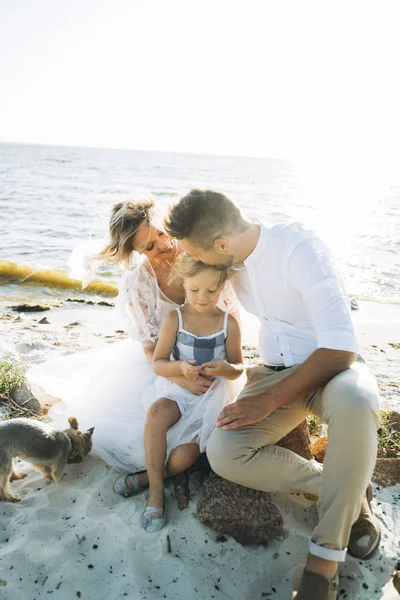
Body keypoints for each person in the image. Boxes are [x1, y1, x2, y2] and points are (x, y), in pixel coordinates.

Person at [165, 189, 381, 600]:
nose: (204, 263)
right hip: (272, 371)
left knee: (359, 401)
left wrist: (268, 399)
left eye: (203, 254)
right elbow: (193, 283)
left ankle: (322, 567)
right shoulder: (232, 257)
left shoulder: (299, 250)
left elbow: (340, 347)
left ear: (222, 245)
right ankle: (351, 491)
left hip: (334, 369)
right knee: (225, 452)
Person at [27, 196, 240, 487]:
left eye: (162, 234)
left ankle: (156, 476)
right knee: (152, 449)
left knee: (195, 448)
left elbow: (230, 321)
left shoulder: (201, 256)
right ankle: (152, 477)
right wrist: (180, 377)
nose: (164, 246)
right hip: (163, 370)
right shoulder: (138, 284)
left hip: (213, 367)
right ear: (135, 251)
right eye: (149, 247)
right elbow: (152, 350)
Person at [136, 254, 244, 532]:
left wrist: (225, 368)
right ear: (183, 283)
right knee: (156, 413)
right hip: (179, 392)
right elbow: (159, 363)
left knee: (181, 460)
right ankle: (156, 494)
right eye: (194, 290)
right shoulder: (175, 319)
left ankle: (145, 478)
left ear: (223, 287)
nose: (202, 297)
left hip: (211, 401)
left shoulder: (228, 323)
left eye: (211, 290)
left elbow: (239, 367)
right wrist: (180, 367)